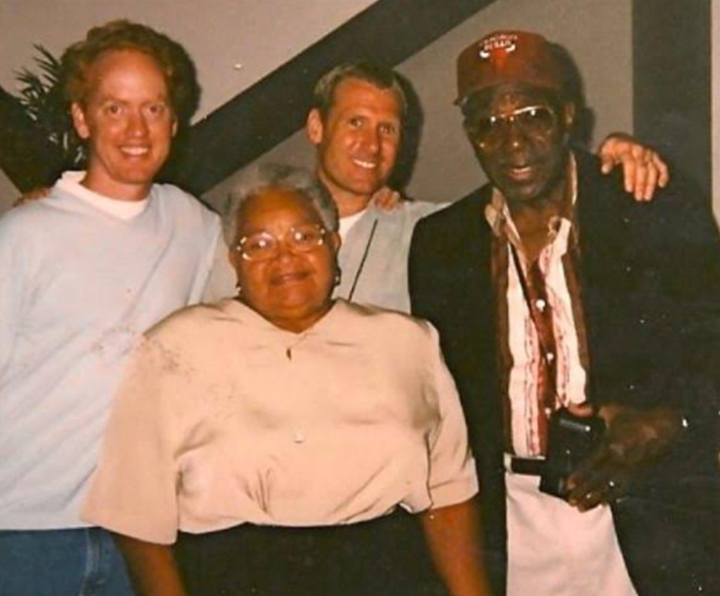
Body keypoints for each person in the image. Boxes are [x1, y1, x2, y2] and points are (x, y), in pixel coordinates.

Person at [82, 165, 492, 596]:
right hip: (235, 578)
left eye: (304, 237)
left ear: (334, 245)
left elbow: (450, 496)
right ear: (233, 262)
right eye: (259, 244)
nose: (284, 257)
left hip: (386, 573)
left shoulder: (409, 341)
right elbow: (137, 518)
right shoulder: (172, 348)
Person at [409, 30, 720, 596]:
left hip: (644, 506)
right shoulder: (439, 243)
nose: (513, 142)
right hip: (510, 523)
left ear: (571, 114)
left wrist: (666, 423)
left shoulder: (650, 206)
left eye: (533, 114)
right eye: (487, 122)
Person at [0, 20, 233, 596]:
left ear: (174, 122)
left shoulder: (194, 224)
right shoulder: (25, 234)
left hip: (138, 531)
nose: (136, 130)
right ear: (81, 119)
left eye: (153, 109)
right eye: (115, 109)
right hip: (23, 529)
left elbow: (271, 287)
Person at [305, 60, 668, 313]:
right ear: (317, 127)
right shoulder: (257, 219)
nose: (371, 144)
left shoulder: (431, 233)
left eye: (387, 129)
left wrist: (621, 151)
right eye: (355, 122)